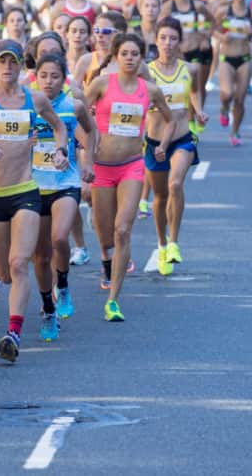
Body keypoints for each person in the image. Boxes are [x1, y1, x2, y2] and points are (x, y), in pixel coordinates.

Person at [0, 39, 69, 362]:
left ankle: (13, 332)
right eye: (3, 61)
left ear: (21, 66)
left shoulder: (34, 98)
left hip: (25, 189)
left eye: (13, 62)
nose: (8, 67)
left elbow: (59, 127)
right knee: (5, 271)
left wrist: (60, 150)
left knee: (18, 263)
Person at [84, 33, 173, 321]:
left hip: (132, 166)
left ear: (141, 57)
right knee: (106, 232)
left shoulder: (150, 90)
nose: (130, 58)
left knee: (123, 230)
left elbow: (170, 120)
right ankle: (107, 258)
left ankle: (113, 300)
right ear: (115, 56)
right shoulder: (100, 84)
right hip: (102, 167)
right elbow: (76, 115)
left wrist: (162, 144)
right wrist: (86, 147)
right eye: (125, 53)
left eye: (136, 54)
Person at [31, 54, 95, 330]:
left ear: (64, 78)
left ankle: (64, 285)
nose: (48, 81)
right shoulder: (27, 104)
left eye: (55, 76)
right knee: (41, 256)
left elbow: (91, 133)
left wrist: (88, 164)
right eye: (43, 75)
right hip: (33, 186)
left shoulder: (74, 105)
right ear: (36, 77)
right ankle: (48, 309)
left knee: (59, 238)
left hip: (65, 182)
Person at [145, 19, 208, 275]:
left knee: (175, 185)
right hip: (154, 141)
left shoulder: (189, 69)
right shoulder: (146, 71)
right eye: (163, 38)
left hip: (182, 136)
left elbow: (193, 92)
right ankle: (161, 245)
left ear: (179, 41)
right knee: (159, 198)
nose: (168, 43)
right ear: (156, 40)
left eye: (172, 38)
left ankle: (173, 242)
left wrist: (199, 111)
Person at [215, 0, 252, 146]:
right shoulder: (223, 11)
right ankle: (224, 108)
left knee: (240, 100)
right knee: (226, 94)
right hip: (227, 58)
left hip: (244, 59)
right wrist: (221, 37)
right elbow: (211, 28)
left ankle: (235, 132)